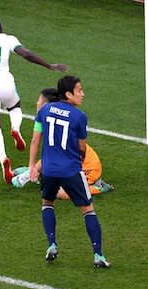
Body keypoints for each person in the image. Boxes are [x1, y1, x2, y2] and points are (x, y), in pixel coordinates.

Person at [0, 16, 67, 184]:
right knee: (15, 107)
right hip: (6, 84)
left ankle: (3, 159)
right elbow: (27, 54)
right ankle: (15, 128)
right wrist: (49, 66)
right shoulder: (7, 39)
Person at [29, 76, 111, 268]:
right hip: (71, 170)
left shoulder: (44, 110)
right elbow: (82, 147)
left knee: (47, 203)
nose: (83, 94)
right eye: (79, 90)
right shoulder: (79, 116)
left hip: (48, 169)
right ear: (68, 94)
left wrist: (32, 166)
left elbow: (35, 141)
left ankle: (52, 244)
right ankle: (98, 255)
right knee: (87, 209)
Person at [11, 88, 114, 198]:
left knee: (60, 193)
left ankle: (98, 187)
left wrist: (25, 177)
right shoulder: (43, 118)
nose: (37, 103)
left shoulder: (58, 125)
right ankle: (35, 171)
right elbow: (36, 142)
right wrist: (31, 169)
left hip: (87, 166)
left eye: (40, 101)